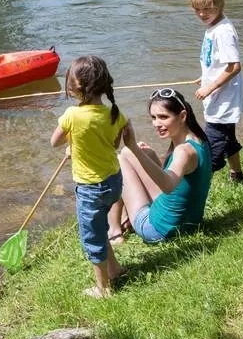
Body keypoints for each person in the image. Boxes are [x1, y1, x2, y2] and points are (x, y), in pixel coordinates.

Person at [50, 56, 128, 299]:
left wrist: (72, 143)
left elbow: (54, 142)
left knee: (92, 235)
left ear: (77, 87)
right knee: (100, 225)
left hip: (90, 188)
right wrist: (79, 144)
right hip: (114, 184)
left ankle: (103, 289)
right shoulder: (115, 113)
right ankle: (115, 269)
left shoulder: (72, 115)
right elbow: (113, 143)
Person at [114, 88, 213, 243]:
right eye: (153, 117)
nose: (156, 124)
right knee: (131, 153)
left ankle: (113, 231)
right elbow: (179, 181)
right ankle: (125, 217)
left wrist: (133, 147)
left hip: (156, 230)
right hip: (190, 224)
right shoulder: (200, 140)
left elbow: (168, 186)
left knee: (120, 159)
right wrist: (148, 155)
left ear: (182, 116)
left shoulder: (183, 152)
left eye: (163, 117)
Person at [189, 0, 243, 183]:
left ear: (220, 5)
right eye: (197, 9)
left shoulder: (223, 32)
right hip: (218, 91)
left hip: (224, 97)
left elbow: (234, 66)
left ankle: (198, 185)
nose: (202, 14)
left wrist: (210, 86)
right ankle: (237, 176)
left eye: (207, 9)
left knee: (212, 145)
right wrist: (205, 77)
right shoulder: (213, 27)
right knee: (227, 138)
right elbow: (217, 63)